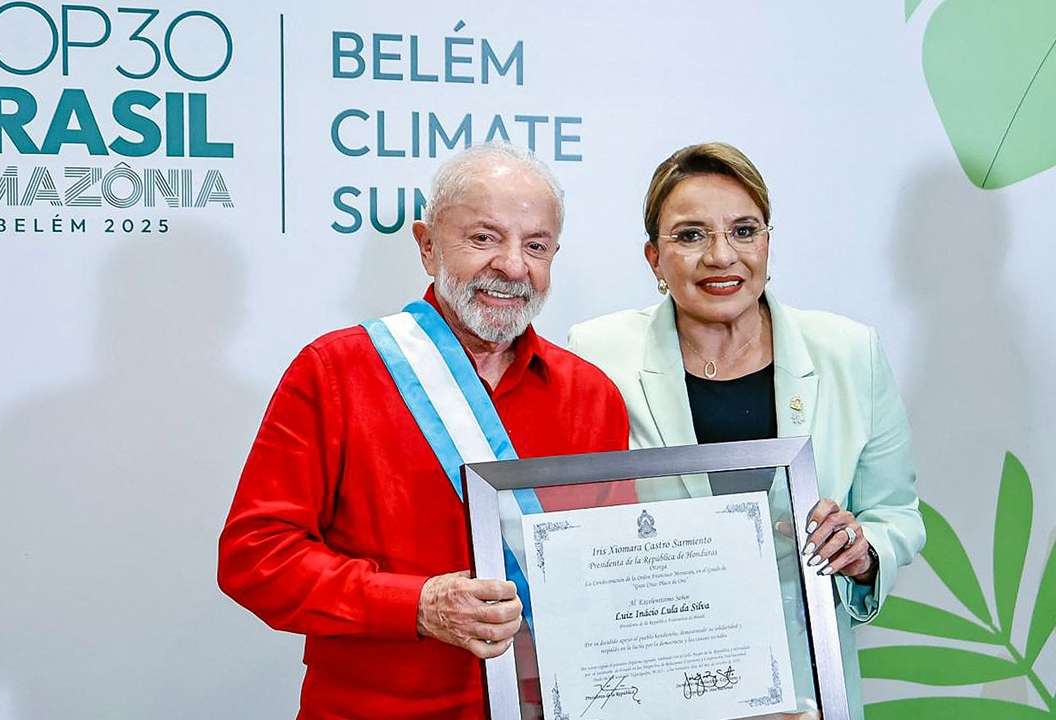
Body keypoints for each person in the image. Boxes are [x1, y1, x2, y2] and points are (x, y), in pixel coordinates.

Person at [218, 143, 632, 720]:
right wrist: (417, 604)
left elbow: (617, 568)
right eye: (484, 238)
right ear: (427, 244)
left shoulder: (592, 395)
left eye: (535, 246)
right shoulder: (335, 371)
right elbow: (255, 558)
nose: (513, 266)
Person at [568, 142, 925, 720]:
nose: (720, 256)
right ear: (653, 259)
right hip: (653, 679)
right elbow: (571, 523)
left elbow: (898, 516)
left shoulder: (848, 352)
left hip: (807, 676)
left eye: (743, 230)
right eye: (690, 235)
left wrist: (863, 551)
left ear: (767, 243)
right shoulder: (597, 353)